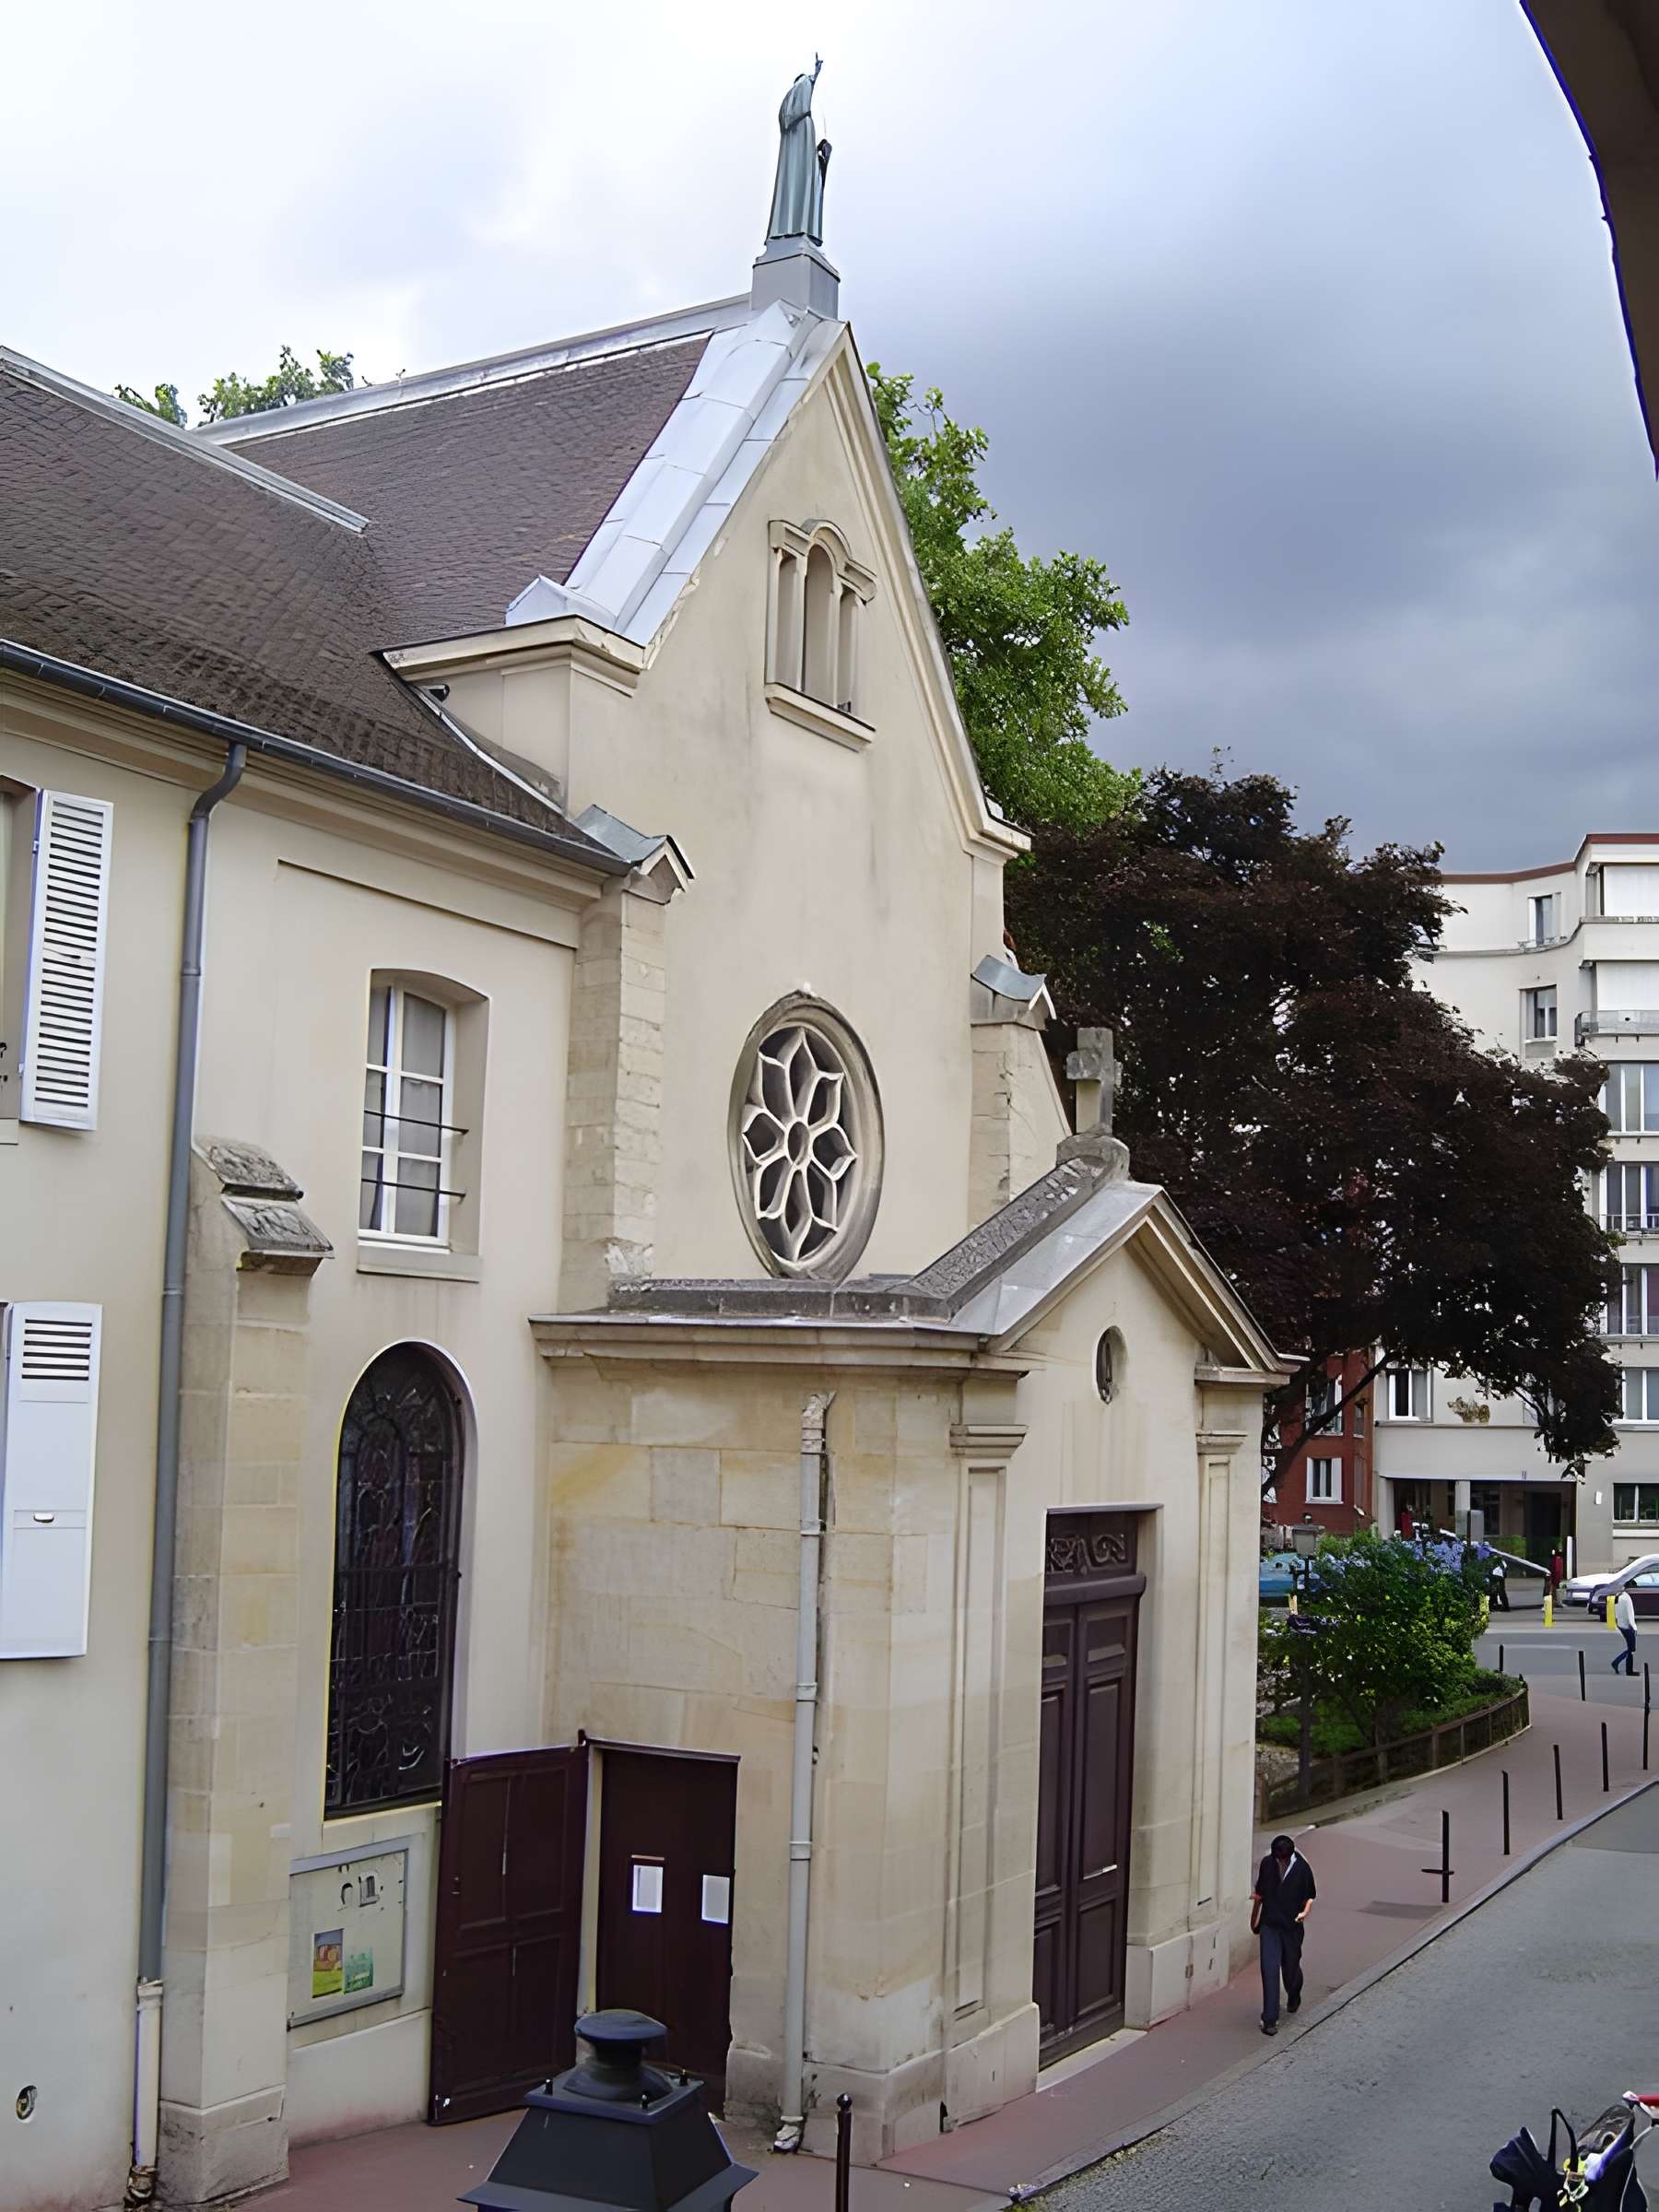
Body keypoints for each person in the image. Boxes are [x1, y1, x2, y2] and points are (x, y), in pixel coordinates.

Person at [1251, 1833, 1315, 2036]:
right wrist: (1255, 1918)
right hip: (1270, 1925)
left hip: (1291, 1927)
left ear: (1290, 1855)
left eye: (1282, 1858)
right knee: (1269, 1969)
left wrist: (1303, 1914)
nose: (1279, 1861)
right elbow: (1260, 1892)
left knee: (1290, 1968)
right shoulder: (1267, 1864)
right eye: (1277, 1858)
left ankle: (1294, 1992)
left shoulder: (1303, 1870)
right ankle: (1270, 2018)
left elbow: (1310, 1896)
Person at [1612, 1586, 1638, 1677]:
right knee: (1631, 1649)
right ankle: (1628, 1670)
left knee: (1630, 1648)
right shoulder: (1626, 1599)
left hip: (1621, 1625)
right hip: (1627, 1626)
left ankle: (1618, 1663)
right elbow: (1630, 1614)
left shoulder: (1617, 1597)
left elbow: (1615, 1612)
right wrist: (1634, 1627)